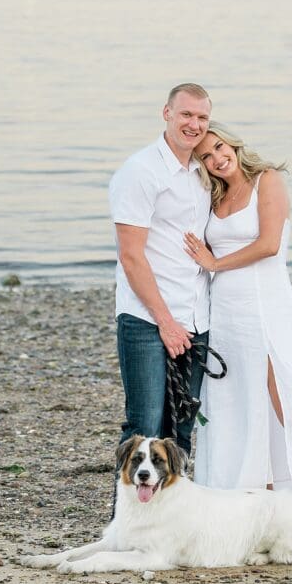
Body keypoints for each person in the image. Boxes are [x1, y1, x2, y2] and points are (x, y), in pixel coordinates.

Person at [183, 122, 292, 567]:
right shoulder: (213, 199)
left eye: (218, 147)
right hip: (227, 318)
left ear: (232, 144)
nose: (217, 158)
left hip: (267, 311)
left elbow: (269, 244)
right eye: (206, 157)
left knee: (289, 404)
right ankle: (262, 520)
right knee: (238, 408)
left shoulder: (268, 181)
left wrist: (215, 262)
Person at [108, 83, 212, 457]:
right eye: (186, 114)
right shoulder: (140, 171)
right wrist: (165, 321)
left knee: (180, 429)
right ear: (166, 113)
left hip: (196, 319)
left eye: (202, 117)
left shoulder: (203, 171)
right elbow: (131, 256)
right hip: (147, 320)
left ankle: (172, 516)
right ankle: (126, 516)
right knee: (145, 427)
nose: (194, 124)